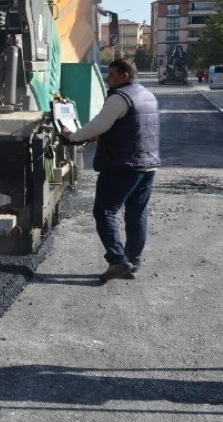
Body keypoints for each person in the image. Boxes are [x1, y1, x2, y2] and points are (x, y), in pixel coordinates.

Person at [61, 59, 160, 282]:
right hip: (147, 164)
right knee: (136, 215)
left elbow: (99, 124)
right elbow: (132, 127)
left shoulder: (120, 98)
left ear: (125, 76)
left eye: (112, 75)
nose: (108, 78)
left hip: (122, 166)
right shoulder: (146, 95)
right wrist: (103, 135)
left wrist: (73, 136)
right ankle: (132, 263)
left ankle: (117, 260)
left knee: (104, 211)